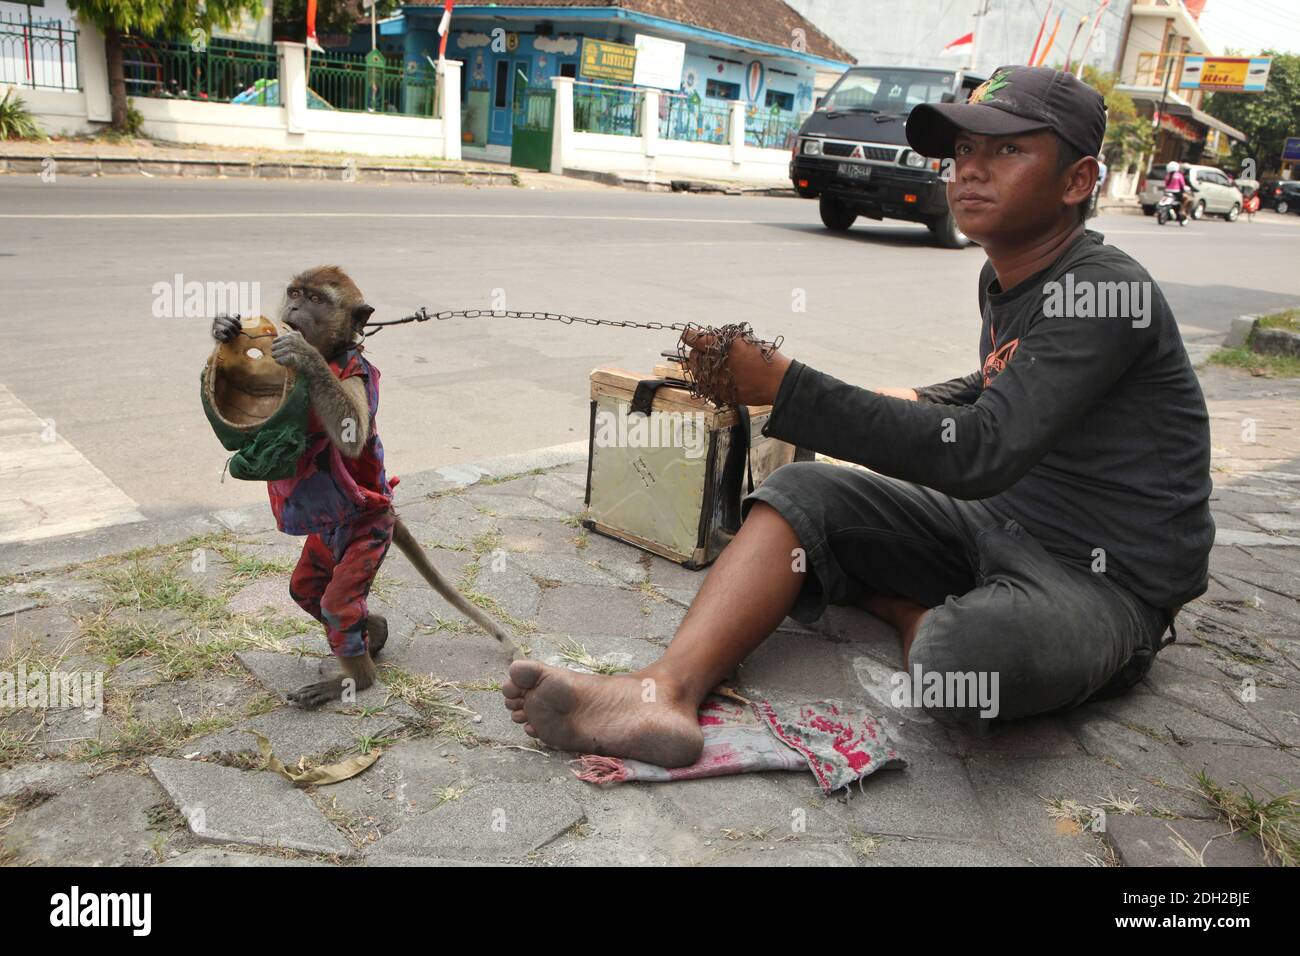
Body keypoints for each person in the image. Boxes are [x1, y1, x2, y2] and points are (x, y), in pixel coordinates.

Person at [501, 66, 1214, 768]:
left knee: (957, 663)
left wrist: (787, 388)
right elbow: (1001, 382)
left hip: (1100, 577)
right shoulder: (1007, 274)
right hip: (999, 518)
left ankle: (902, 606)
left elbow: (980, 452)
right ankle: (662, 692)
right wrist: (916, 400)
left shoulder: (1105, 292)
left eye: (1007, 150)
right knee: (800, 495)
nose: (969, 170)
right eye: (963, 150)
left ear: (1076, 181)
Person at [1164, 160, 1189, 225]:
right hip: (1176, 193)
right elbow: (1183, 185)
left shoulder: (1167, 175)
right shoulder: (1179, 175)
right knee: (1187, 198)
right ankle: (1182, 210)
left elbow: (1166, 184)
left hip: (1167, 192)